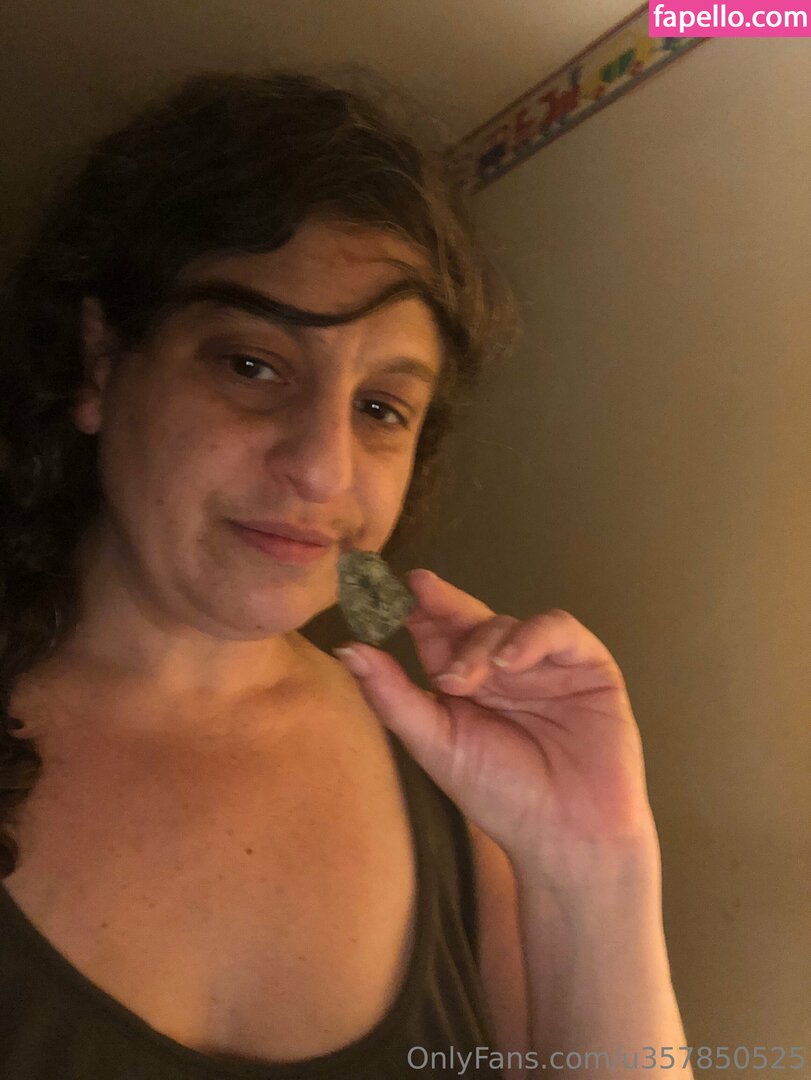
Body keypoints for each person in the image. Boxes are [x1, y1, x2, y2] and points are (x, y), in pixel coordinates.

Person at [0, 71, 692, 1080]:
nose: (323, 468)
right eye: (251, 365)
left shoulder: (458, 794)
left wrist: (593, 868)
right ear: (102, 360)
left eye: (379, 409)